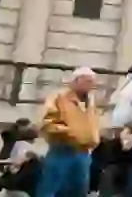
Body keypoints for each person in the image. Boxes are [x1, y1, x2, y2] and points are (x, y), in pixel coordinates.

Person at [38, 67, 101, 197]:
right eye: (88, 81)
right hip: (62, 150)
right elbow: (47, 123)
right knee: (53, 189)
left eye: (92, 82)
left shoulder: (91, 101)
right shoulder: (59, 98)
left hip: (83, 152)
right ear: (76, 81)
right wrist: (71, 132)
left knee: (79, 190)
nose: (92, 85)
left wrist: (94, 137)